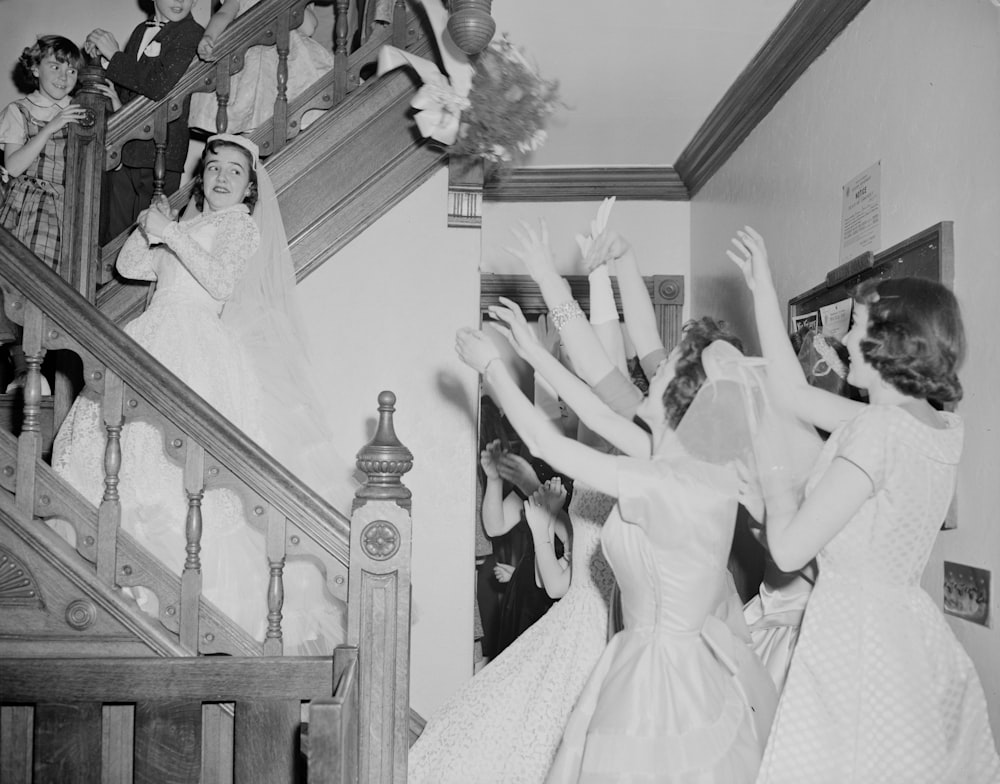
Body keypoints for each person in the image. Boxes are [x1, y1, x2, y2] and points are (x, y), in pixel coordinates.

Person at [50, 134, 357, 653]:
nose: (220, 177)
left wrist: (171, 232)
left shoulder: (239, 227)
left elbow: (217, 281)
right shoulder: (189, 224)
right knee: (124, 451)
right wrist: (155, 225)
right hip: (152, 336)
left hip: (195, 345)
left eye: (234, 172)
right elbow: (131, 266)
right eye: (213, 167)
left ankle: (175, 599)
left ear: (249, 189)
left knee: (175, 468)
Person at [458, 302, 780, 783]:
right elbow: (594, 410)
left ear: (679, 398)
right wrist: (531, 350)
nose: (650, 373)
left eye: (664, 366)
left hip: (656, 681)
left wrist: (493, 369)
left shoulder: (664, 480)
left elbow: (550, 446)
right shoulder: (688, 465)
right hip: (675, 660)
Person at [728, 226, 1000, 782]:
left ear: (889, 341)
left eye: (856, 329)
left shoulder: (876, 432)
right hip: (910, 635)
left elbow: (788, 547)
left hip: (854, 639)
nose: (844, 342)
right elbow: (795, 395)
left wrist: (771, 487)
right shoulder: (937, 427)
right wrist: (762, 289)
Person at [0, 36, 91, 392]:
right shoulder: (18, 111)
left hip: (66, 209)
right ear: (35, 68)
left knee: (52, 294)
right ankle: (23, 369)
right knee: (17, 289)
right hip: (27, 207)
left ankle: (42, 369)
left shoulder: (81, 107)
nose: (64, 75)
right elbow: (15, 164)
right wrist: (52, 126)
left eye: (71, 69)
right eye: (55, 65)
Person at [85, 0, 204, 242]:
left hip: (161, 151)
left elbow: (158, 85)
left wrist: (114, 55)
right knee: (113, 234)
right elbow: (130, 86)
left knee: (148, 238)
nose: (180, 1)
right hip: (124, 147)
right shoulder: (141, 30)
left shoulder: (192, 33)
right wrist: (103, 59)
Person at [188, 0, 334, 134]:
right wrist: (209, 36)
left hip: (286, 57)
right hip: (247, 56)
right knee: (245, 107)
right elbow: (223, 14)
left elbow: (308, 27)